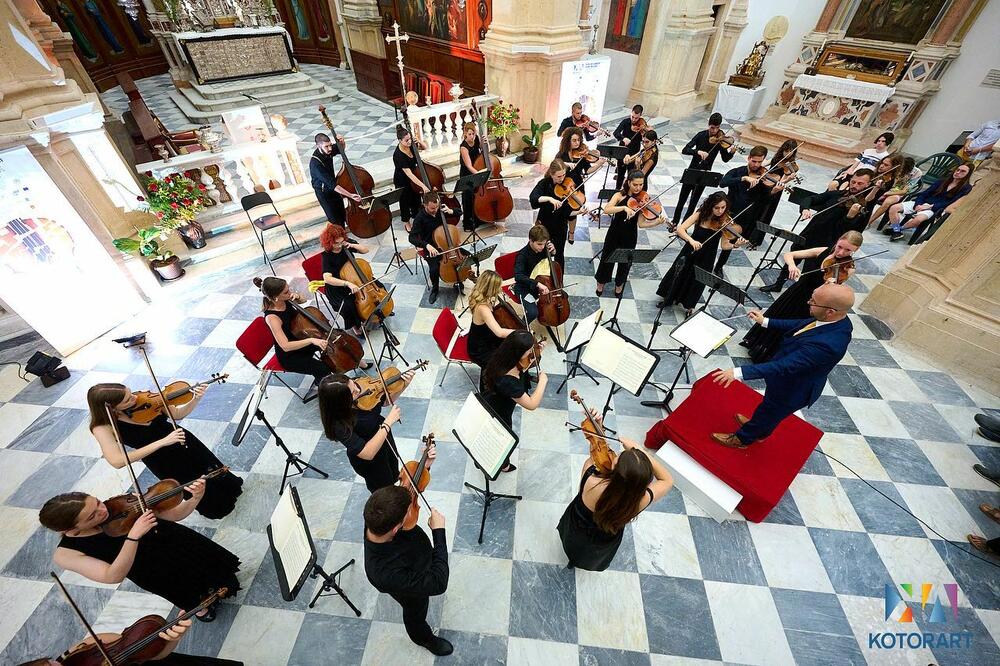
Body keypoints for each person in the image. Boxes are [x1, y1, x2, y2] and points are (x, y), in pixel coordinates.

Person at [39, 487, 240, 622]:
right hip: (151, 570)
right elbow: (112, 575)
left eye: (97, 502)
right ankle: (201, 608)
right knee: (182, 590)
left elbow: (176, 514)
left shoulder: (117, 504)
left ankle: (224, 585)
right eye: (92, 516)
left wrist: (195, 498)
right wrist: (133, 536)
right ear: (72, 530)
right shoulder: (66, 554)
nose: (103, 510)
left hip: (177, 542)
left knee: (208, 566)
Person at [710, 283, 855, 448]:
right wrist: (765, 321)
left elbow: (783, 366)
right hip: (787, 381)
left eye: (813, 302)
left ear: (831, 311)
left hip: (794, 389)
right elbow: (802, 326)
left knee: (771, 411)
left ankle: (743, 439)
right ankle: (760, 427)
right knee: (769, 410)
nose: (808, 302)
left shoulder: (829, 345)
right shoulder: (835, 319)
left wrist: (737, 372)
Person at [86, 383, 243, 520]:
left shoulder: (144, 398)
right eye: (127, 400)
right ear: (112, 408)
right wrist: (163, 442)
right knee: (192, 482)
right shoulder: (103, 427)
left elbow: (177, 414)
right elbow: (117, 461)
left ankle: (230, 488)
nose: (134, 398)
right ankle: (216, 505)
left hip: (183, 440)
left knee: (209, 465)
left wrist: (196, 398)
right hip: (162, 459)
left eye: (130, 393)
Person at [558, 415, 673, 571]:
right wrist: (640, 451)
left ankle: (571, 557)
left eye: (617, 457)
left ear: (614, 469)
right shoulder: (639, 499)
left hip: (577, 525)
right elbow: (667, 480)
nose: (613, 454)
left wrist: (599, 428)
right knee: (590, 557)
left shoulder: (591, 479)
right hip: (603, 540)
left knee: (571, 544)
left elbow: (597, 450)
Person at [742, 231, 863, 363]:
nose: (840, 253)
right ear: (838, 240)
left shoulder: (848, 268)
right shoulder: (822, 251)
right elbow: (789, 254)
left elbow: (834, 292)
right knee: (780, 316)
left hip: (813, 302)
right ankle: (760, 346)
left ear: (855, 250)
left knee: (793, 327)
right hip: (797, 292)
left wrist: (831, 285)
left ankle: (773, 355)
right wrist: (792, 266)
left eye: (848, 250)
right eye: (840, 247)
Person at [363, 486, 452, 656]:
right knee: (415, 611)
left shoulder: (375, 516)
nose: (411, 513)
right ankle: (424, 638)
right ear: (396, 529)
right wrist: (438, 532)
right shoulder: (384, 574)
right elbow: (439, 583)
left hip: (417, 557)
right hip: (411, 585)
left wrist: (423, 469)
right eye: (407, 513)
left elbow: (403, 495)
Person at [764, 169, 874, 291]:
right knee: (793, 259)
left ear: (868, 185)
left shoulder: (862, 209)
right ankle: (778, 284)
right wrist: (805, 209)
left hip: (826, 243)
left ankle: (799, 292)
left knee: (810, 272)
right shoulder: (836, 194)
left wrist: (849, 217)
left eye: (860, 184)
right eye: (853, 182)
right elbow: (810, 199)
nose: (854, 185)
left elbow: (848, 233)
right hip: (810, 234)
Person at [318, 371, 428, 492]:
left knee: (393, 471)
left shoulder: (358, 385)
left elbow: (383, 401)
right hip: (371, 460)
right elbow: (367, 453)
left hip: (384, 439)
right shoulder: (338, 424)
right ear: (341, 401)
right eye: (353, 392)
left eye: (354, 384)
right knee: (383, 488)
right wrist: (388, 422)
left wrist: (404, 385)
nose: (358, 390)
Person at [656, 192, 745, 316]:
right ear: (710, 206)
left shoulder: (726, 221)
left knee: (697, 281)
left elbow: (724, 245)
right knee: (679, 274)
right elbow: (681, 229)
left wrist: (735, 245)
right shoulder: (700, 214)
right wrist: (691, 240)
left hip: (707, 256)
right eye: (717, 208)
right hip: (690, 250)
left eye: (723, 208)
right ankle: (668, 299)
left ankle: (689, 307)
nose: (720, 211)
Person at [21, 619, 246, 665]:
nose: (60, 664)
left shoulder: (82, 650)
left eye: (51, 664)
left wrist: (171, 640)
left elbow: (140, 652)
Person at [481, 330, 549, 473]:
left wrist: (536, 352)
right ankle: (503, 465)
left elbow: (522, 366)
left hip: (491, 398)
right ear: (519, 353)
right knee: (502, 440)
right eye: (529, 350)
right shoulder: (508, 381)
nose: (532, 352)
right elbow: (531, 404)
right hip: (499, 412)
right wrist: (543, 381)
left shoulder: (502, 356)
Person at [595, 170, 670, 297]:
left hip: (630, 235)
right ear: (629, 182)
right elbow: (607, 210)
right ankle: (601, 282)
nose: (638, 188)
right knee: (607, 258)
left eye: (641, 184)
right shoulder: (619, 195)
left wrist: (657, 222)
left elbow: (641, 224)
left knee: (625, 262)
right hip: (615, 232)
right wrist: (624, 207)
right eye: (635, 184)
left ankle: (619, 284)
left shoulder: (642, 199)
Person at [256, 276, 334, 382]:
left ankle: (353, 362)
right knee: (322, 369)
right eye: (286, 292)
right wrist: (311, 340)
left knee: (331, 344)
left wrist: (297, 297)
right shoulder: (272, 318)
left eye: (289, 289)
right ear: (275, 297)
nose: (289, 293)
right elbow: (285, 346)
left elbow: (304, 300)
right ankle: (324, 386)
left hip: (300, 337)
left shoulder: (286, 299)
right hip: (291, 355)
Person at [672, 112, 737, 227]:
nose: (714, 131)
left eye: (717, 128)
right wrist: (697, 151)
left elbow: (725, 159)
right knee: (681, 200)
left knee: (693, 204)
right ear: (708, 125)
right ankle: (674, 222)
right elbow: (685, 149)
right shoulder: (700, 135)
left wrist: (731, 153)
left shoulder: (720, 140)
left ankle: (684, 226)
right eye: (712, 128)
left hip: (705, 175)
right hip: (692, 172)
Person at [885, 162, 972, 241]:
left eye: (962, 171)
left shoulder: (966, 188)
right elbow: (925, 193)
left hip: (934, 208)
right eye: (957, 170)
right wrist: (918, 204)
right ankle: (896, 231)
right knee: (894, 208)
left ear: (968, 175)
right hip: (922, 203)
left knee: (918, 220)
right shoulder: (943, 181)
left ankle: (899, 229)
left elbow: (950, 203)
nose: (958, 172)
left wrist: (930, 206)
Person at [717, 145, 769, 275]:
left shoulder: (762, 177)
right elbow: (723, 182)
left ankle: (719, 267)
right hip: (727, 212)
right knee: (713, 237)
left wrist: (776, 188)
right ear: (748, 158)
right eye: (754, 161)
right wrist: (743, 178)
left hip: (745, 216)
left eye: (760, 162)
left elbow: (765, 197)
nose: (757, 165)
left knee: (730, 241)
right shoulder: (737, 171)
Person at [408, 191, 466, 305]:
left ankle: (458, 280)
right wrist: (426, 245)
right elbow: (412, 238)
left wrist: (451, 211)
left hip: (448, 245)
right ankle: (435, 289)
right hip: (431, 247)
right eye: (432, 208)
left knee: (466, 257)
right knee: (434, 269)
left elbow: (460, 212)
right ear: (425, 205)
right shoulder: (420, 218)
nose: (435, 210)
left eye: (437, 207)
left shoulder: (441, 210)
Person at [319, 223, 375, 335]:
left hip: (355, 279)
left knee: (377, 285)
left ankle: (378, 311)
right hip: (338, 286)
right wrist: (347, 283)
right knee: (347, 305)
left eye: (341, 242)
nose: (339, 246)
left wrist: (352, 245)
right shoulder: (327, 255)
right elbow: (327, 279)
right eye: (336, 243)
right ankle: (356, 326)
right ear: (329, 242)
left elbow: (365, 250)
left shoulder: (346, 244)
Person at [530, 158, 586, 267]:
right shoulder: (544, 184)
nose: (562, 179)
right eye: (559, 176)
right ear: (551, 174)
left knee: (559, 253)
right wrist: (549, 199)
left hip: (560, 226)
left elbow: (567, 212)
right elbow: (533, 198)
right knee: (542, 253)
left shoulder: (566, 184)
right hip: (544, 225)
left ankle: (558, 280)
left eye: (563, 175)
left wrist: (579, 212)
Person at [557, 127, 609, 243]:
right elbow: (555, 164)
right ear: (567, 141)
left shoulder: (582, 155)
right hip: (563, 186)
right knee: (562, 209)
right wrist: (566, 164)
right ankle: (560, 230)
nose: (577, 143)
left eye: (579, 140)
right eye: (574, 140)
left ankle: (571, 233)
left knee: (573, 210)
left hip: (577, 186)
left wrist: (599, 164)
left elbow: (587, 171)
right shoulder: (562, 154)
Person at [467, 269, 519, 368]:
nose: (500, 289)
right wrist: (521, 332)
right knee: (507, 360)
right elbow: (499, 332)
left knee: (511, 347)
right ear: (491, 289)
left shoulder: (482, 295)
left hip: (485, 336)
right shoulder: (483, 308)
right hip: (480, 349)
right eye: (498, 287)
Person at [310, 132, 363, 225]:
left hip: (334, 189)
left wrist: (342, 142)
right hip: (324, 193)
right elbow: (333, 185)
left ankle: (344, 238)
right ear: (318, 146)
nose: (330, 148)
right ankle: (339, 239)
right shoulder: (315, 164)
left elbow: (340, 149)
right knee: (334, 219)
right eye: (326, 146)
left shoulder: (328, 150)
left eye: (330, 145)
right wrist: (350, 195)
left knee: (342, 215)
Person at [754, 139, 800, 245]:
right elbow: (765, 164)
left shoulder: (792, 165)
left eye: (790, 151)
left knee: (765, 213)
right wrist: (758, 168)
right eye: (785, 151)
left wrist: (788, 179)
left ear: (794, 152)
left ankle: (756, 240)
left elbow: (782, 181)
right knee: (757, 209)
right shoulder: (777, 157)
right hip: (765, 185)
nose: (787, 154)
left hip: (775, 189)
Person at [512, 224, 557, 324]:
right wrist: (538, 284)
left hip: (541, 285)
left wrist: (553, 252)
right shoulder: (522, 255)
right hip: (525, 288)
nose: (542, 247)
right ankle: (522, 326)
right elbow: (518, 276)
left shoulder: (544, 248)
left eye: (544, 244)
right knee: (533, 312)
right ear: (531, 240)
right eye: (539, 244)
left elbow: (549, 261)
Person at [827, 132, 893, 191]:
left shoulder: (886, 157)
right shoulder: (867, 151)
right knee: (833, 185)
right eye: (878, 141)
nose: (879, 143)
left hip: (863, 180)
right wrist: (849, 171)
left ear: (888, 143)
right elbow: (855, 164)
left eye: (883, 141)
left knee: (844, 189)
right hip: (854, 173)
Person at [393, 126, 429, 233]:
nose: (409, 142)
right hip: (402, 180)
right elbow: (409, 174)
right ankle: (406, 222)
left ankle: (417, 219)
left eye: (410, 139)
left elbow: (424, 148)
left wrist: (419, 141)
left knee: (416, 199)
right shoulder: (398, 155)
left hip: (414, 175)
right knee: (404, 201)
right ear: (400, 141)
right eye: (406, 140)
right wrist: (423, 185)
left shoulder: (412, 145)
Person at [868, 155, 921, 226]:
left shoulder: (916, 173)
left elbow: (905, 191)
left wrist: (888, 193)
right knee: (871, 196)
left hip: (899, 191)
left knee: (887, 202)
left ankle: (869, 221)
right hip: (889, 187)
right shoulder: (896, 166)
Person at [458, 121, 484, 231]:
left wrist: (484, 142)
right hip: (467, 174)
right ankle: (468, 223)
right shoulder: (463, 147)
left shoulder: (476, 139)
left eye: (473, 134)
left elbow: (481, 149)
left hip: (476, 169)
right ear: (465, 133)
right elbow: (468, 166)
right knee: (468, 197)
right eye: (469, 134)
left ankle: (479, 218)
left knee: (477, 196)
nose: (472, 136)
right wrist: (480, 175)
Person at [612, 104, 646, 188]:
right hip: (622, 152)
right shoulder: (625, 121)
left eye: (636, 118)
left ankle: (627, 193)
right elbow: (615, 133)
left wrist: (643, 132)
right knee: (620, 174)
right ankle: (617, 191)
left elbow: (644, 140)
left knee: (631, 176)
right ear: (631, 113)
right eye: (632, 117)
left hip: (633, 153)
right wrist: (623, 138)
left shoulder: (642, 125)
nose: (634, 120)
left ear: (640, 115)